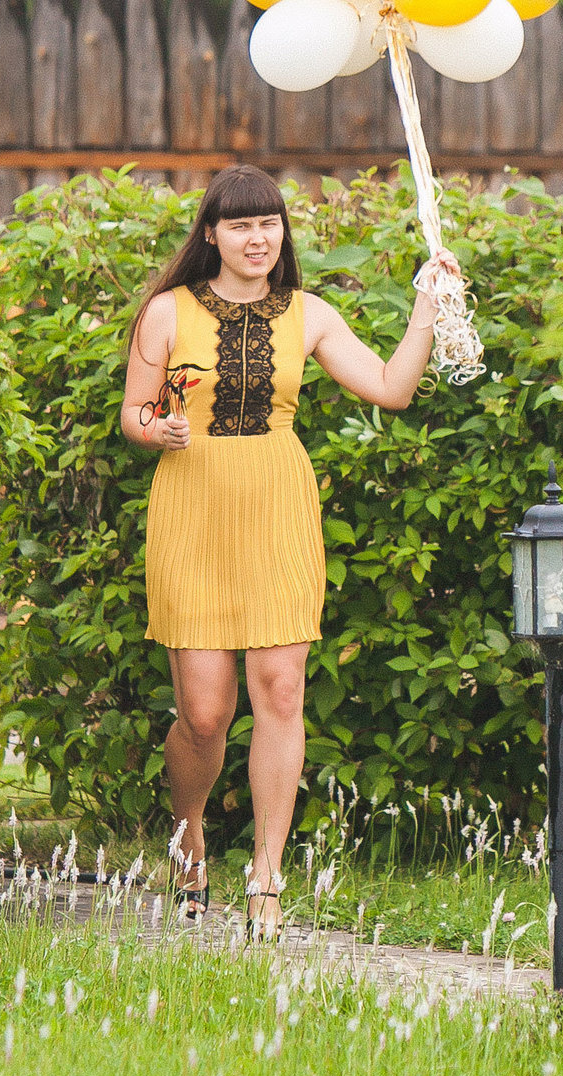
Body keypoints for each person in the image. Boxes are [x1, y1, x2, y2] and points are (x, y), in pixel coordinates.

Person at [120, 165, 456, 939]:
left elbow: (389, 386)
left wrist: (426, 309)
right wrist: (157, 425)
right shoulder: (165, 313)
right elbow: (135, 412)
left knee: (280, 691)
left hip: (278, 502)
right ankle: (190, 832)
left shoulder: (308, 314)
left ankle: (267, 878)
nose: (257, 237)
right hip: (193, 507)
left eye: (269, 222)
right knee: (205, 713)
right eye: (240, 225)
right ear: (211, 234)